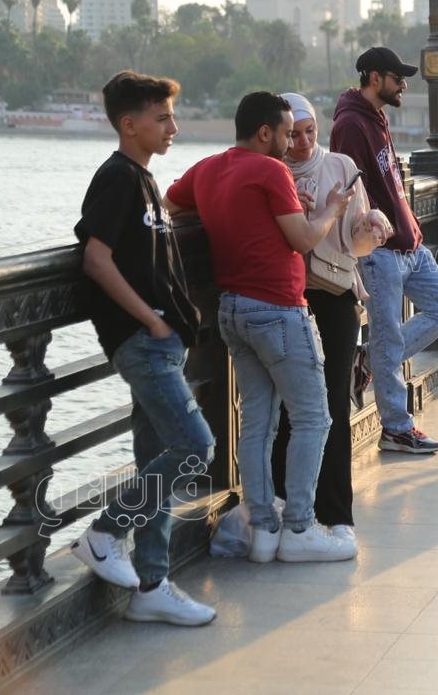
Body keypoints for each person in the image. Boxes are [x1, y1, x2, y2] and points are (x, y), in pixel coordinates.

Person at [165, 91, 358, 564]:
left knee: (257, 422)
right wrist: (332, 209)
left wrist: (236, 218)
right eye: (287, 134)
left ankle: (264, 530)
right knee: (314, 417)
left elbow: (171, 203)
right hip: (279, 309)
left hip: (232, 309)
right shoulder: (271, 171)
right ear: (265, 132)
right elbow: (304, 239)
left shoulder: (208, 168)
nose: (292, 144)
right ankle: (299, 528)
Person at [70, 70, 216, 625]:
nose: (173, 127)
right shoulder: (118, 178)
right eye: (162, 118)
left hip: (162, 342)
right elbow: (96, 258)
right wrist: (151, 322)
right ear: (129, 125)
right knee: (196, 448)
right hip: (143, 343)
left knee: (157, 461)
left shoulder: (146, 179)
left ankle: (152, 585)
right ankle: (105, 532)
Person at [330, 46, 438, 455]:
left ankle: (369, 360)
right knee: (388, 336)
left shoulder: (376, 117)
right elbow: (351, 187)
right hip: (379, 250)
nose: (404, 84)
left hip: (409, 244)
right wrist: (372, 231)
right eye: (397, 78)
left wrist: (410, 226)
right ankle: (397, 429)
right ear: (375, 78)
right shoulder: (350, 124)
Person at [270, 92, 387, 550]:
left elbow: (356, 242)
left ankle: (335, 513)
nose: (302, 143)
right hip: (287, 300)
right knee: (286, 406)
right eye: (293, 134)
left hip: (336, 297)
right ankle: (283, 507)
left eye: (309, 132)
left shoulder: (340, 167)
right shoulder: (270, 174)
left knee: (333, 403)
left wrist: (370, 225)